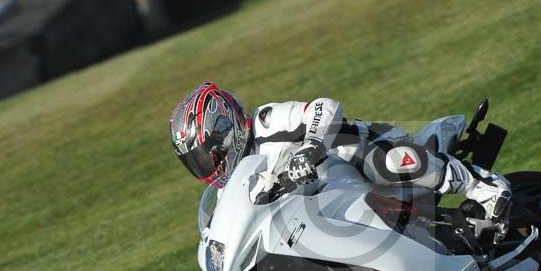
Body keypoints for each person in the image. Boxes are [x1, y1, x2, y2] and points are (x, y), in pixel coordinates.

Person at [169, 82, 511, 227]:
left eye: (206, 154)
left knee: (385, 164)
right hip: (332, 206)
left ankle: (485, 186)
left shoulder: (266, 122)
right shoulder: (241, 181)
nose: (207, 166)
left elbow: (324, 107)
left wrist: (312, 145)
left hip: (359, 152)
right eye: (196, 162)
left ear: (225, 130)